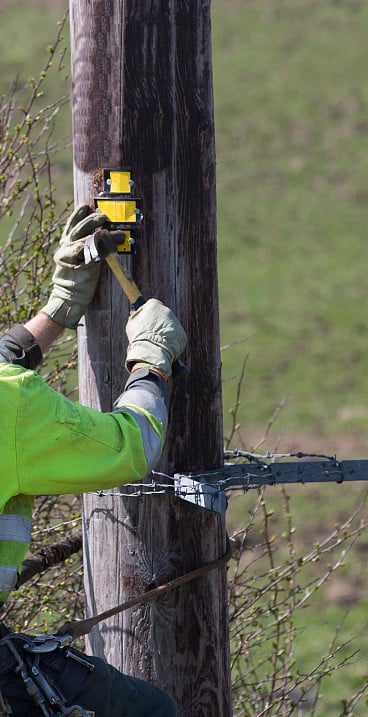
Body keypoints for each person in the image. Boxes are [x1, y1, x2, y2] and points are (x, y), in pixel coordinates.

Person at [0, 205, 186, 716]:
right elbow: (131, 447)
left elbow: (3, 358)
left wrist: (61, 308)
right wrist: (151, 360)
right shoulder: (8, 404)